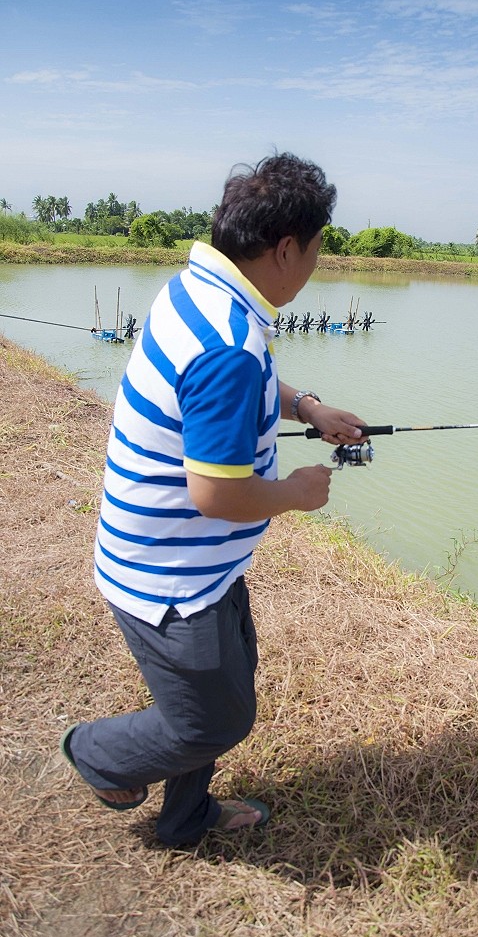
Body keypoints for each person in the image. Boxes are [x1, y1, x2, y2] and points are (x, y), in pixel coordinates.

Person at [60, 153, 367, 847]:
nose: (318, 264)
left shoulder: (201, 291)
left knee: (228, 689)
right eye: (318, 250)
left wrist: (307, 407)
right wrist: (293, 494)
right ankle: (94, 753)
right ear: (286, 249)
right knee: (213, 721)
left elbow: (238, 392)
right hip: (170, 576)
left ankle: (186, 819)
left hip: (199, 565)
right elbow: (216, 492)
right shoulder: (230, 341)